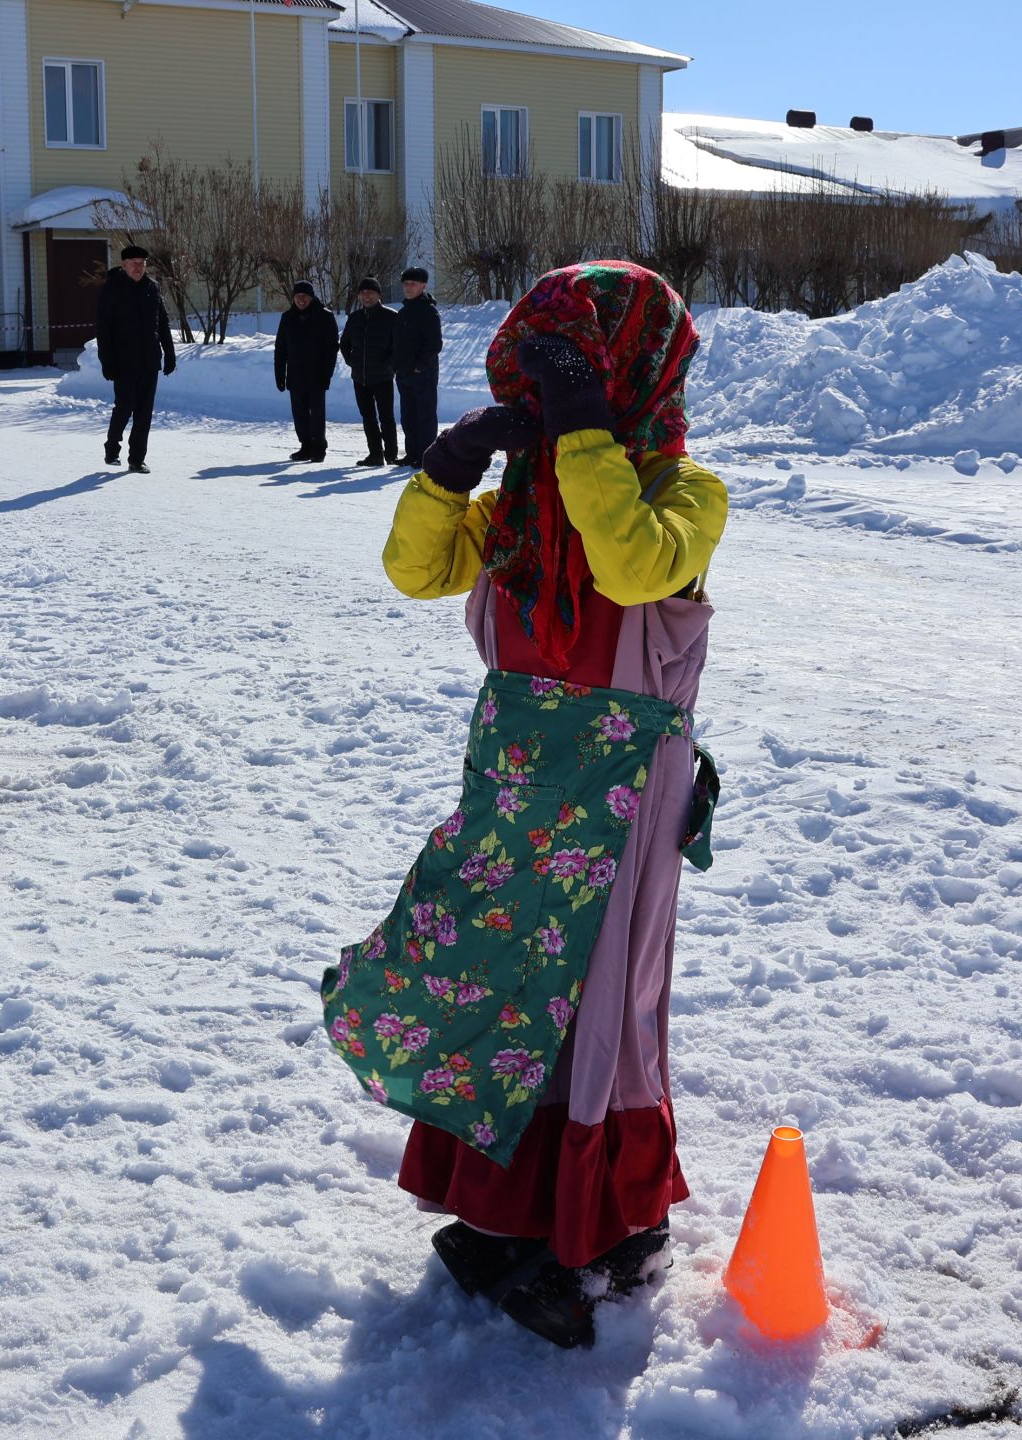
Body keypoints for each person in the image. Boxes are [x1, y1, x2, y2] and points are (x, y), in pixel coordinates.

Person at [321, 262, 729, 1349]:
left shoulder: (687, 498)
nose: (554, 406)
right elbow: (415, 570)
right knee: (491, 993)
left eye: (579, 375)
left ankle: (605, 1232)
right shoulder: (514, 516)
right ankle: (506, 1215)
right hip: (511, 792)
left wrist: (588, 426)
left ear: (630, 372)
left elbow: (633, 566)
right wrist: (448, 469)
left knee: (599, 1014)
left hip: (621, 807)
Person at [96, 244, 177, 474]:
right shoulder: (111, 289)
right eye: (133, 264)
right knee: (124, 406)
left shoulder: (152, 288)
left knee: (144, 411)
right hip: (123, 362)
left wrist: (169, 354)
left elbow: (162, 323)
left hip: (149, 360)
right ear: (123, 265)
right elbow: (104, 329)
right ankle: (112, 448)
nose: (138, 268)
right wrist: (107, 362)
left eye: (142, 264)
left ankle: (136, 459)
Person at [273, 280, 339, 462]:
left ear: (311, 297)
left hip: (317, 374)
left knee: (317, 414)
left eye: (304, 296)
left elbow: (332, 348)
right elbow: (280, 348)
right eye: (297, 296)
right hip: (295, 374)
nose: (301, 300)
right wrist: (280, 374)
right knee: (299, 414)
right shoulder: (287, 318)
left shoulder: (324, 316)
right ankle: (305, 446)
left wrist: (327, 374)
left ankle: (319, 447)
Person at [338, 276, 398, 467]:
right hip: (360, 378)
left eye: (370, 293)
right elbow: (344, 344)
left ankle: (391, 455)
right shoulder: (355, 318)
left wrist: (389, 365)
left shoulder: (391, 316)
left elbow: (397, 346)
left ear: (378, 295)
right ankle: (375, 454)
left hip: (382, 377)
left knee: (386, 417)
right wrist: (352, 362)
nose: (366, 296)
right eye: (363, 293)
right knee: (368, 417)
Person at [393, 265, 442, 469]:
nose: (408, 287)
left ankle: (425, 455)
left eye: (413, 283)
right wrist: (396, 365)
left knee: (425, 416)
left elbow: (434, 344)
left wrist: (419, 367)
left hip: (423, 374)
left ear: (423, 285)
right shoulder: (403, 312)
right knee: (408, 416)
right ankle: (411, 453)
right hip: (403, 374)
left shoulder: (428, 312)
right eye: (406, 283)